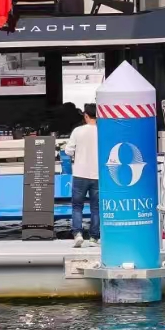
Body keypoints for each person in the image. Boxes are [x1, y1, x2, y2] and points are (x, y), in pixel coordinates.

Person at [66, 102, 99, 247]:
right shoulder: (102, 131)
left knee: (77, 206)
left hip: (80, 174)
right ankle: (94, 238)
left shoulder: (77, 131)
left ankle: (78, 234)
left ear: (86, 115)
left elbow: (68, 151)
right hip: (97, 175)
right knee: (96, 208)